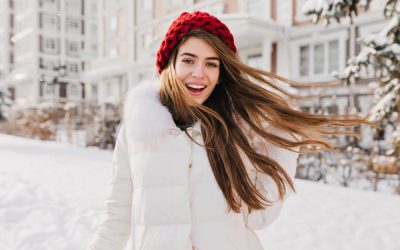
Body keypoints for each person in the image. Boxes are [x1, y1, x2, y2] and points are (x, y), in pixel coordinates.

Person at [87, 11, 372, 250]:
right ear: (169, 64)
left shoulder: (235, 130)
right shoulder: (137, 132)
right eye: (188, 60)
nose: (199, 73)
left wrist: (286, 144)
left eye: (211, 64)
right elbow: (117, 219)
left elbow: (259, 216)